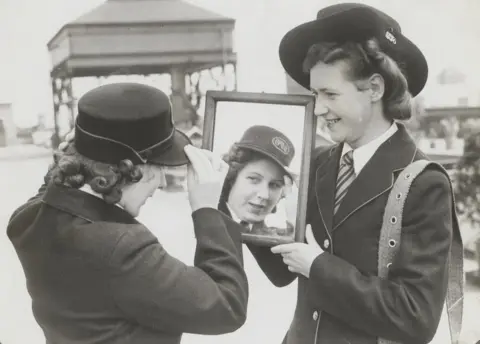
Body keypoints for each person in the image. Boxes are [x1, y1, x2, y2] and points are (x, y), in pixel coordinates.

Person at [247, 3, 463, 344]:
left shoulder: (424, 182)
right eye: (315, 94)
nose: (318, 109)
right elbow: (282, 272)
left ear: (375, 89)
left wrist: (318, 266)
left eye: (330, 94)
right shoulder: (317, 162)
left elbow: (416, 318)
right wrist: (243, 212)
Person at [7, 83, 248, 344]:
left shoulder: (27, 218)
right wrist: (208, 212)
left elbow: (50, 188)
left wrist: (78, 150)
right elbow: (227, 306)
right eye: (160, 168)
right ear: (130, 168)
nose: (162, 184)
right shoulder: (122, 248)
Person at [218, 125, 297, 237]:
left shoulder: (275, 241)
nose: (264, 195)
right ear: (231, 176)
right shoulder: (198, 224)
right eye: (254, 179)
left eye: (274, 185)